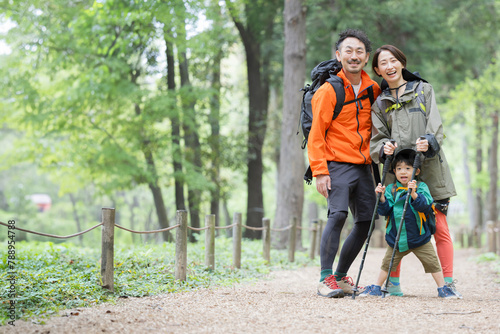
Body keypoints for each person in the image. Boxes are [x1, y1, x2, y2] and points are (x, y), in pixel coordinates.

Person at [370, 44, 460, 297]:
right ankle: (393, 284)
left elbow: (436, 127)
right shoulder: (379, 103)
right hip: (396, 175)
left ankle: (448, 282)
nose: (389, 66)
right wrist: (383, 147)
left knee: (439, 227)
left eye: (393, 61)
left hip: (429, 170)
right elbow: (376, 140)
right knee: (396, 224)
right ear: (377, 70)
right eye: (383, 63)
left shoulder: (424, 91)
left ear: (402, 62)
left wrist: (428, 141)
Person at [308, 29, 381, 298]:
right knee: (338, 214)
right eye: (348, 51)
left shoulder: (373, 89)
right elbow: (316, 134)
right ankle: (324, 278)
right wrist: (320, 172)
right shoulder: (329, 90)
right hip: (336, 163)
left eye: (359, 51)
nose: (354, 55)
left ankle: (340, 277)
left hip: (364, 166)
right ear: (338, 55)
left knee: (366, 221)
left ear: (366, 57)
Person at [359, 148, 461, 298]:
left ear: (416, 171)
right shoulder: (391, 189)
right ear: (394, 171)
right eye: (399, 168)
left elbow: (426, 206)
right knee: (387, 263)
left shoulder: (421, 187)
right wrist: (381, 198)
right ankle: (376, 287)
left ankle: (443, 288)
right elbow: (385, 211)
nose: (403, 172)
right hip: (397, 238)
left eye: (408, 168)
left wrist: (414, 194)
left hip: (419, 237)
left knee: (432, 263)